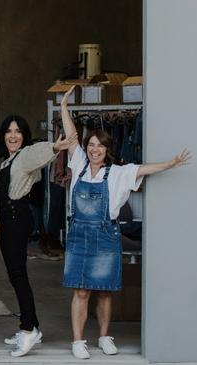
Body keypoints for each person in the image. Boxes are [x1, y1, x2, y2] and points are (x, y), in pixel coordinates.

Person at [60, 86, 191, 359]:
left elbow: (145, 169)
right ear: (87, 148)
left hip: (107, 235)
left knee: (105, 292)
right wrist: (63, 107)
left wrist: (171, 163)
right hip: (80, 235)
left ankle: (105, 337)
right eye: (91, 145)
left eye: (100, 145)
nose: (94, 149)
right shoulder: (79, 163)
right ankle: (77, 341)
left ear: (107, 149)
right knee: (81, 291)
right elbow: (70, 135)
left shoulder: (119, 173)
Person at [0, 115, 77, 357]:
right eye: (8, 131)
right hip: (8, 221)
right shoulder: (6, 161)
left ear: (23, 136)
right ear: (3, 136)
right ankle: (31, 325)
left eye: (18, 132)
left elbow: (38, 153)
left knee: (18, 275)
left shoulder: (23, 157)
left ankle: (28, 329)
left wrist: (55, 147)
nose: (13, 136)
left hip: (16, 221)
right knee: (16, 276)